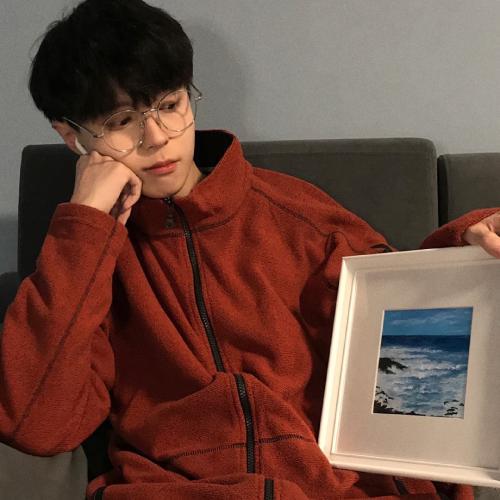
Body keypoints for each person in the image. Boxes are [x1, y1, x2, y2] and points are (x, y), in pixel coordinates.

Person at [1, 0, 500, 498]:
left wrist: (468, 245)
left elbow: (404, 306)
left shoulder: (297, 215)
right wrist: (86, 227)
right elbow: (35, 425)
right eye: (120, 120)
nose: (156, 138)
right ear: (72, 137)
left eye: (170, 106)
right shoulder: (88, 262)